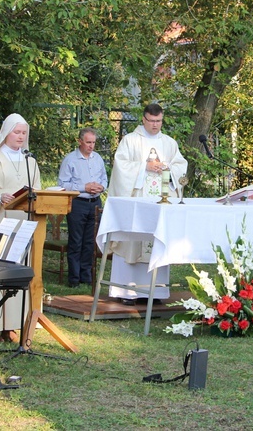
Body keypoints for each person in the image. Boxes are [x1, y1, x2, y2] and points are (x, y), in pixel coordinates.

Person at [106, 104, 188, 305]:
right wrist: (144, 167)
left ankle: (155, 292)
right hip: (138, 201)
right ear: (143, 120)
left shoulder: (169, 143)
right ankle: (127, 292)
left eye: (158, 121)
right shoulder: (131, 141)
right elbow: (121, 166)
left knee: (155, 240)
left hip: (160, 200)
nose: (155, 125)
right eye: (151, 121)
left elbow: (181, 166)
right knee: (133, 243)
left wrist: (167, 169)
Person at [0, 113, 40, 342]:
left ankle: (12, 325)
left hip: (23, 224)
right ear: (6, 132)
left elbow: (38, 193)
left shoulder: (30, 161)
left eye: (24, 133)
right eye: (17, 132)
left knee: (17, 272)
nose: (21, 137)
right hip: (1, 222)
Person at [57, 128, 108, 287]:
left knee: (90, 242)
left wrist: (101, 187)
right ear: (80, 141)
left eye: (93, 142)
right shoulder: (70, 160)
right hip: (78, 203)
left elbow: (104, 179)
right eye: (88, 142)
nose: (91, 146)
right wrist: (83, 187)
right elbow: (63, 184)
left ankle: (86, 276)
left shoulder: (98, 158)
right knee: (76, 241)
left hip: (95, 203)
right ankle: (73, 278)